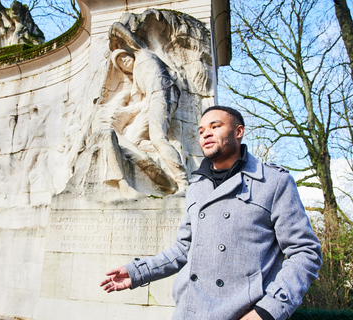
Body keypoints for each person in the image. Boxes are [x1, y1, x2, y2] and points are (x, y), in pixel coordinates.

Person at [100, 106, 322, 320]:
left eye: (215, 126)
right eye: (201, 130)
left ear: (238, 132)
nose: (206, 134)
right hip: (188, 312)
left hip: (243, 313)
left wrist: (269, 311)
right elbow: (183, 249)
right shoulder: (197, 186)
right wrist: (138, 272)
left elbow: (305, 252)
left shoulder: (274, 182)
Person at [109, 22, 189, 193]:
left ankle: (183, 182)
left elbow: (122, 31)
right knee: (131, 139)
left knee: (157, 137)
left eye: (123, 56)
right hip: (151, 102)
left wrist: (114, 34)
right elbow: (137, 102)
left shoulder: (142, 53)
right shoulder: (136, 81)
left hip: (162, 94)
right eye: (120, 63)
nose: (124, 61)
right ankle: (173, 150)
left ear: (129, 53)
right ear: (122, 70)